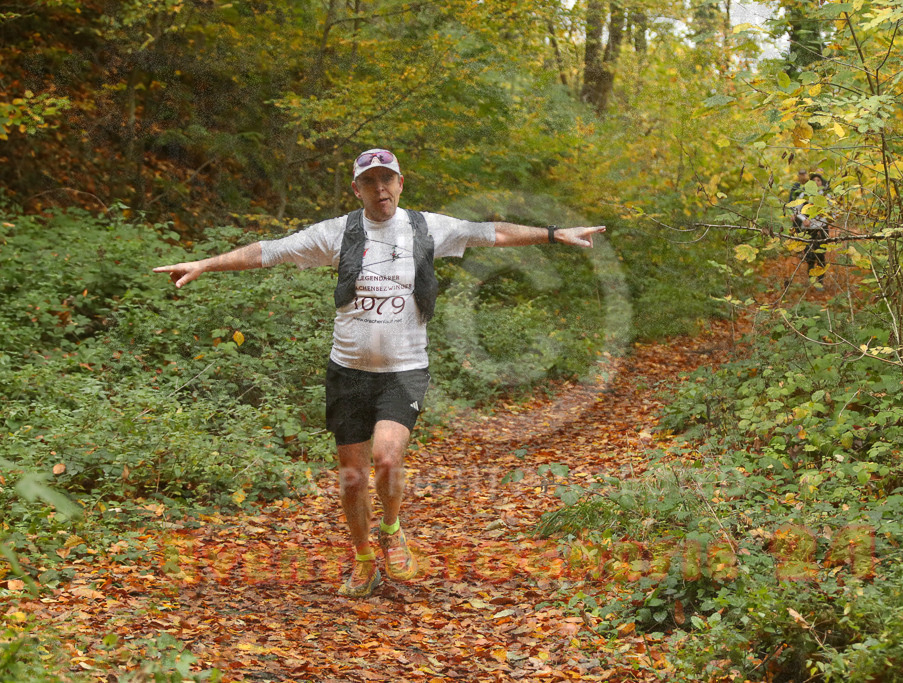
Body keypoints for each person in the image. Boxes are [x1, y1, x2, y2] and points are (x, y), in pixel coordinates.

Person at [153, 148, 605, 597]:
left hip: (404, 370)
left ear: (400, 183)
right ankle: (364, 560)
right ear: (357, 189)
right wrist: (205, 264)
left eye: (387, 179)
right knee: (352, 479)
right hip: (347, 371)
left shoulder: (428, 227)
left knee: (388, 458)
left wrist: (554, 233)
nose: (380, 188)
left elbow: (493, 234)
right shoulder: (338, 233)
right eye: (369, 181)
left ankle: (392, 527)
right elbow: (269, 251)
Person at [790, 170, 830, 287]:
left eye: (818, 180)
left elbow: (834, 210)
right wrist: (803, 219)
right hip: (807, 229)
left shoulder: (826, 196)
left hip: (822, 228)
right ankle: (812, 280)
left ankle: (820, 281)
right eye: (813, 180)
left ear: (821, 183)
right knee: (809, 255)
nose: (816, 182)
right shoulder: (804, 195)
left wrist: (829, 219)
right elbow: (796, 210)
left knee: (821, 255)